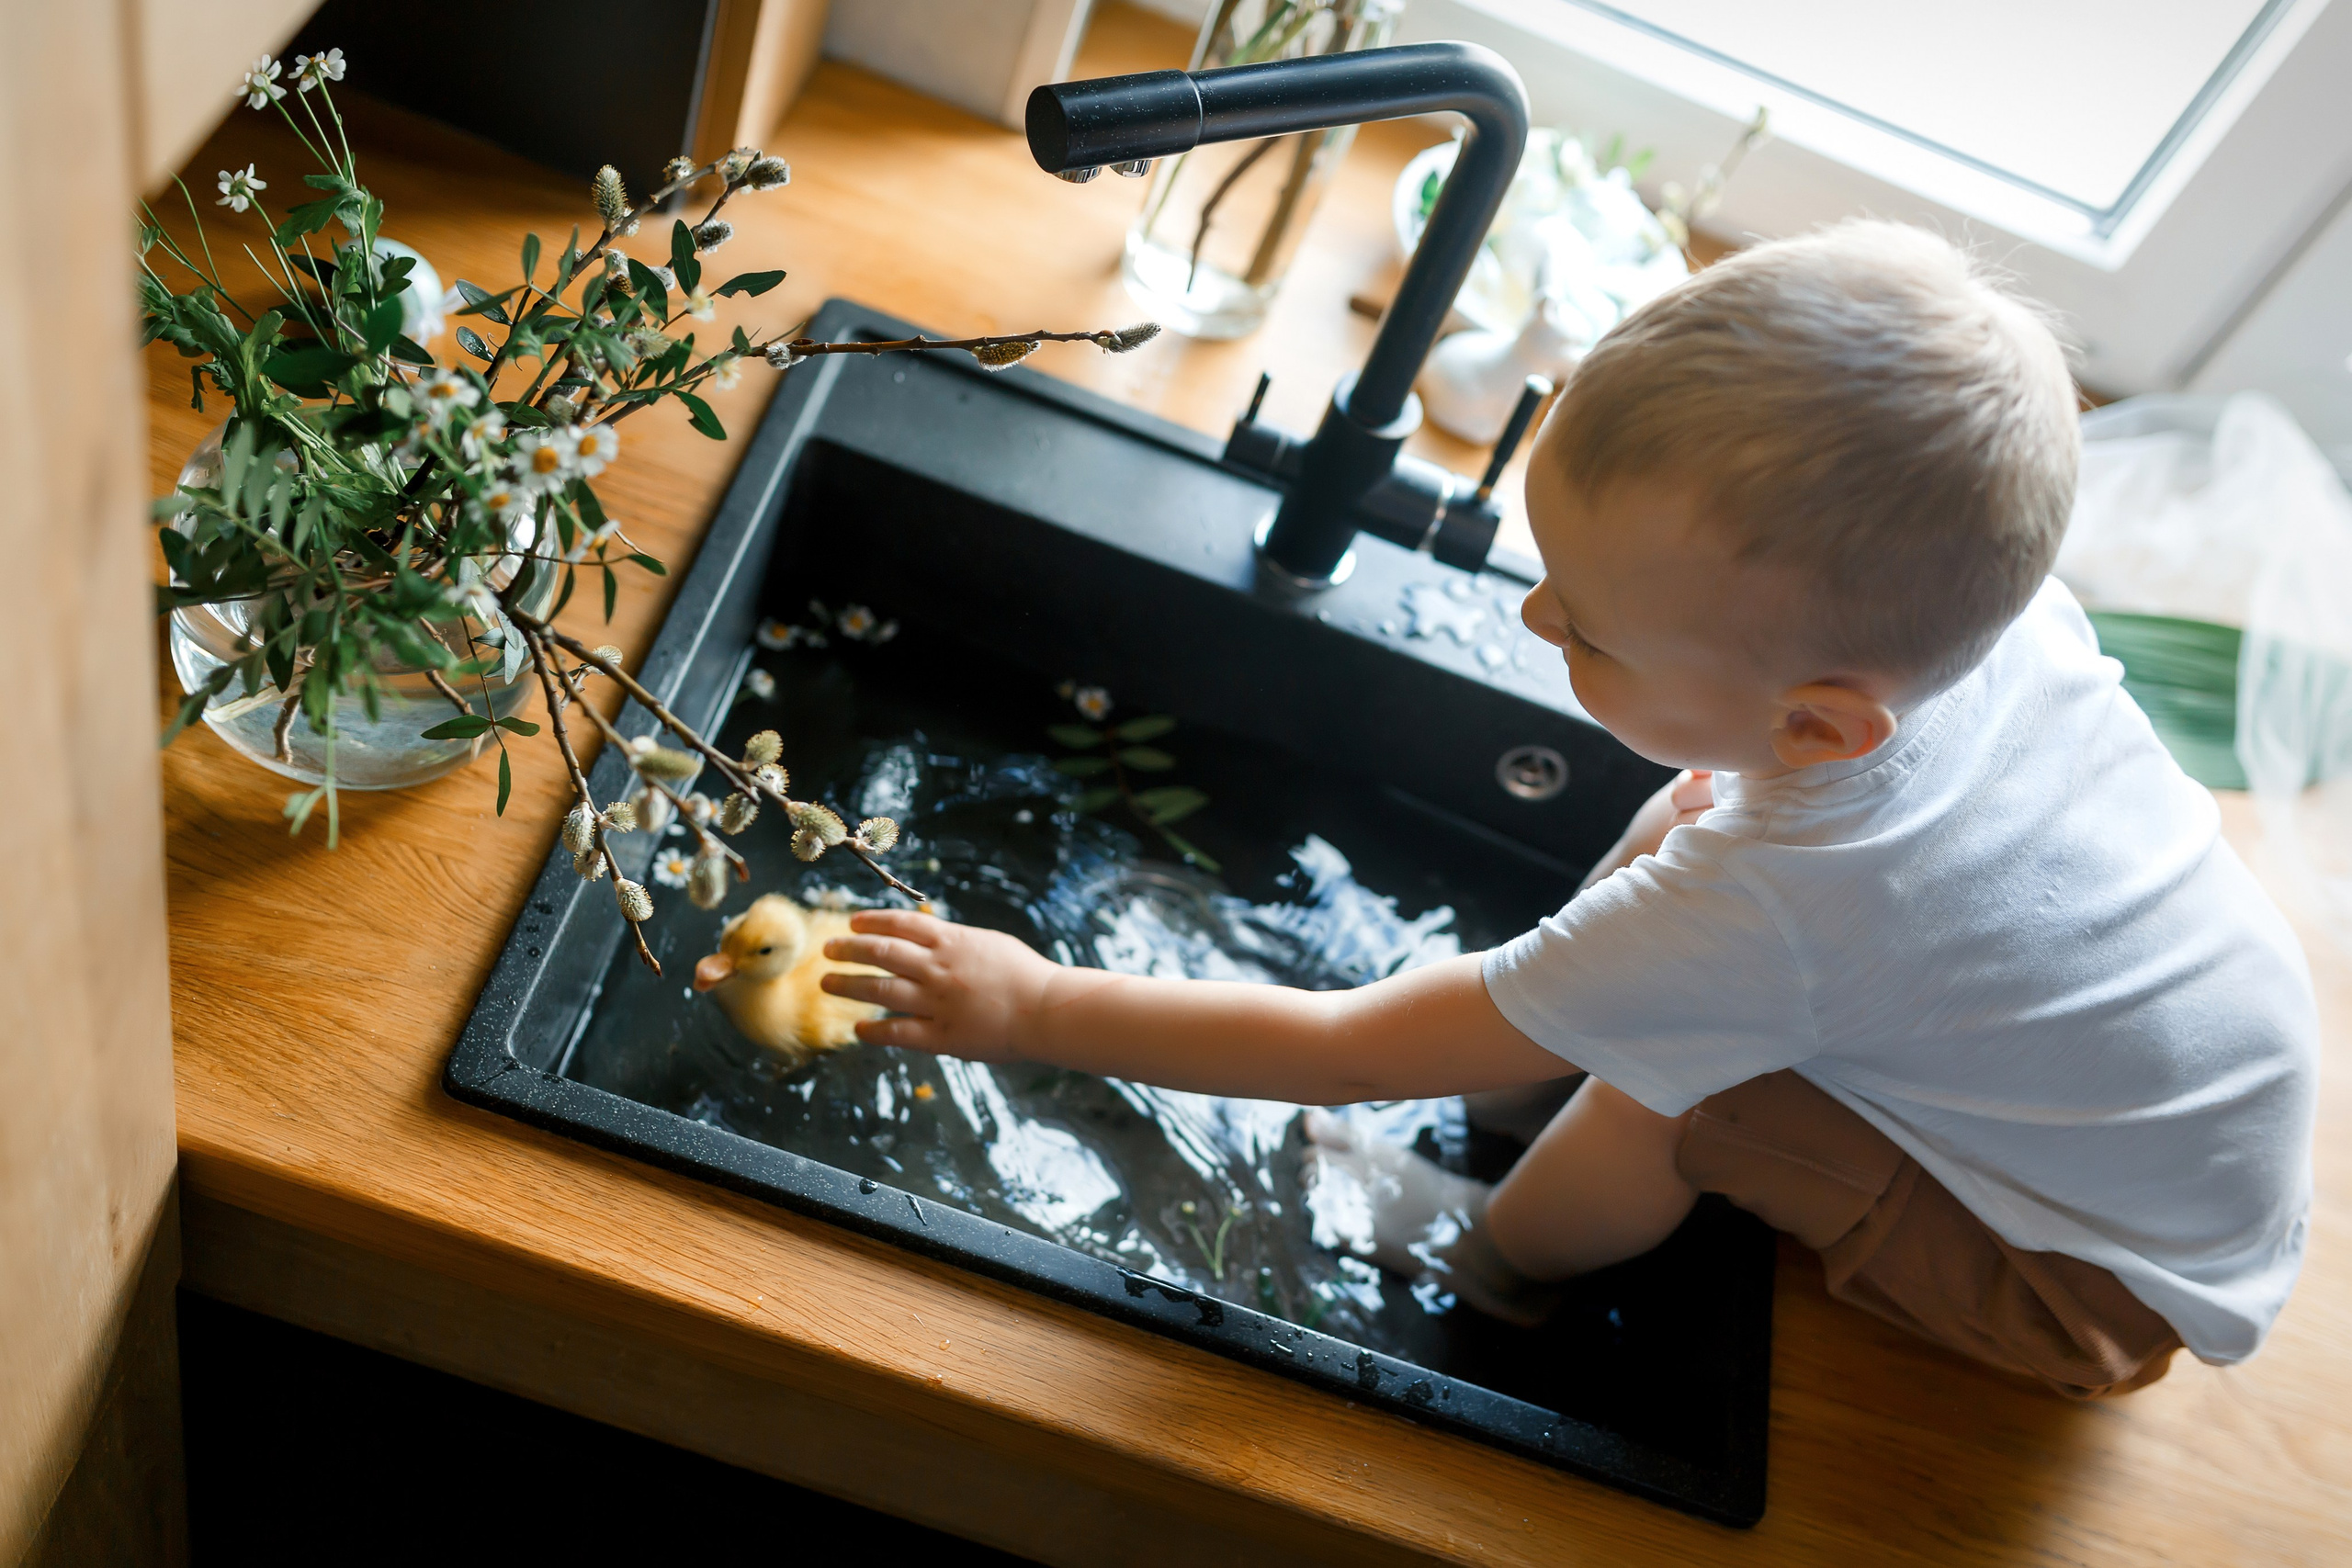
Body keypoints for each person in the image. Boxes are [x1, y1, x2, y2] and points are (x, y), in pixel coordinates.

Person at [819, 220, 2317, 1398]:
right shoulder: (1987, 625)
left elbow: (1349, 1057)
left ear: (1820, 720)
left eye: (1589, 626)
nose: (1536, 619)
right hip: (2175, 1095)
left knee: (1682, 1094)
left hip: (2087, 1283)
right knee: (1688, 846)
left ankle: (1498, 1263)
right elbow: (1753, 862)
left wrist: (1029, 1008)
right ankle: (1523, 1077)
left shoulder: (1794, 910)